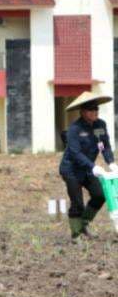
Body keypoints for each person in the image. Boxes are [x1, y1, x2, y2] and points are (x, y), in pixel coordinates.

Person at [59, 91, 117, 241]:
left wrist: (110, 161)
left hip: (88, 169)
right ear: (83, 112)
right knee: (77, 202)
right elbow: (75, 153)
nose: (95, 112)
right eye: (91, 110)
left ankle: (83, 224)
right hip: (71, 169)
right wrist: (93, 166)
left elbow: (105, 146)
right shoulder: (75, 129)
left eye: (96, 109)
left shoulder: (100, 125)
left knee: (100, 195)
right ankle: (76, 234)